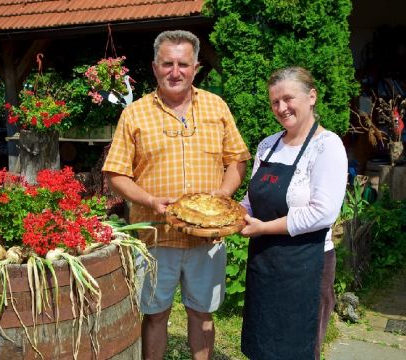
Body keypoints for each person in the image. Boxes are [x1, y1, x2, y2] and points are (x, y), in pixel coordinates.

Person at [102, 30, 250, 359]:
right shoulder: (134, 114)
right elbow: (116, 174)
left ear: (196, 67)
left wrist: (221, 198)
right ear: (155, 67)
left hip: (207, 239)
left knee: (202, 313)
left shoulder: (216, 107)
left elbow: (237, 160)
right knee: (155, 315)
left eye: (183, 64)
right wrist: (151, 201)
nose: (175, 71)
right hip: (155, 238)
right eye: (167, 63)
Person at [239, 66, 348, 360]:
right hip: (264, 261)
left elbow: (323, 213)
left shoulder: (327, 146)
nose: (281, 108)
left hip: (306, 266)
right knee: (262, 342)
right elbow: (251, 201)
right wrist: (223, 218)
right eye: (275, 102)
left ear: (311, 97)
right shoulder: (268, 145)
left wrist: (263, 228)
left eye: (288, 98)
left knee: (296, 348)